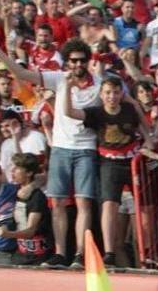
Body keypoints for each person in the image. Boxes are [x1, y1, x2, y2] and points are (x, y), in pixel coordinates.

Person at [0, 36, 99, 268]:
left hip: (86, 148)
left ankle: (80, 254)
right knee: (57, 203)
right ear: (67, 62)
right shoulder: (58, 79)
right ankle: (60, 253)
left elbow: (124, 99)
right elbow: (22, 74)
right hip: (60, 147)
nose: (78, 65)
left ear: (88, 61)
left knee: (83, 204)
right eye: (73, 61)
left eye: (82, 60)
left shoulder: (99, 83)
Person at [61, 75, 148, 264]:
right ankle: (109, 253)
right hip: (109, 162)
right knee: (109, 204)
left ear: (121, 94)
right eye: (108, 93)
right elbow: (69, 112)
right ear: (101, 95)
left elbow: (145, 130)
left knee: (143, 206)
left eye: (116, 93)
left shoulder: (130, 109)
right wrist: (67, 89)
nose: (112, 97)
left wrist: (132, 101)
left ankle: (146, 251)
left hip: (132, 161)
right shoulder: (96, 113)